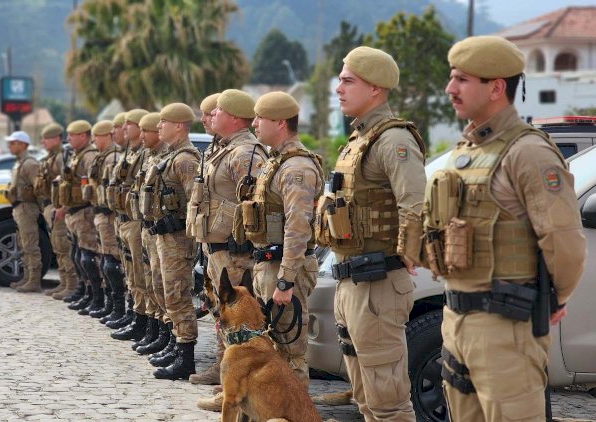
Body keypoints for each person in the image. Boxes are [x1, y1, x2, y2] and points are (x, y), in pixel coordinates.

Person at [428, 35, 586, 421]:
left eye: (462, 79)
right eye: (452, 78)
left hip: (506, 328)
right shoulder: (467, 151)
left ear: (497, 87)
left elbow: (565, 241)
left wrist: (556, 298)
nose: (450, 89)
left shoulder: (528, 153)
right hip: (457, 321)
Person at [317, 46, 426, 421]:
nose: (339, 89)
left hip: (378, 281)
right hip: (352, 281)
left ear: (376, 88)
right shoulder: (359, 140)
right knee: (365, 396)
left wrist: (408, 254)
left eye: (348, 81)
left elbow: (415, 203)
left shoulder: (394, 140)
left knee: (388, 399)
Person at [188, 90, 267, 411]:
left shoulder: (247, 154)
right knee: (220, 312)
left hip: (235, 251)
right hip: (216, 245)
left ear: (234, 116)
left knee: (237, 318)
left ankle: (234, 384)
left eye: (217, 110)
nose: (210, 115)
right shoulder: (224, 150)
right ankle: (224, 374)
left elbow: (255, 204)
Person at [239, 91, 324, 388]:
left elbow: (298, 228)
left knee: (291, 350)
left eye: (261, 118)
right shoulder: (276, 162)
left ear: (279, 122)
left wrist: (286, 281)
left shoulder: (296, 168)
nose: (255, 123)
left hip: (285, 268)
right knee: (274, 347)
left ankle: (296, 410)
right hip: (269, 264)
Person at [148, 103, 201, 380]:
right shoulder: (171, 156)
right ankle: (174, 342)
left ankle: (185, 356)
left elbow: (196, 202)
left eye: (164, 122)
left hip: (178, 238)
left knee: (177, 295)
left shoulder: (185, 160)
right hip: (163, 236)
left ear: (179, 125)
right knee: (162, 288)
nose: (159, 127)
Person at [126, 112, 169, 351]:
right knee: (148, 281)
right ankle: (152, 329)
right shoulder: (149, 157)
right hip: (145, 226)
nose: (141, 135)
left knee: (167, 289)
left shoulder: (174, 158)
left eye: (145, 130)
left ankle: (172, 341)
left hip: (164, 232)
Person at [107, 109, 149, 334]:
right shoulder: (129, 153)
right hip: (123, 217)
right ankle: (136, 317)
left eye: (129, 125)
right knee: (131, 274)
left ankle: (143, 322)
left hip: (135, 220)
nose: (123, 129)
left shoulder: (144, 154)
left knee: (141, 276)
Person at [32, 123, 79, 300]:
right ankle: (64, 282)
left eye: (47, 138)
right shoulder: (50, 158)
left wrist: (62, 207)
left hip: (57, 207)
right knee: (57, 248)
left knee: (63, 246)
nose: (43, 141)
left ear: (57, 139)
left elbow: (66, 184)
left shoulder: (61, 158)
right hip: (49, 206)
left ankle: (71, 284)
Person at [60, 121, 102, 312]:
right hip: (74, 211)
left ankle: (96, 296)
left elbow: (93, 185)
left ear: (84, 136)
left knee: (87, 256)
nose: (68, 138)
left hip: (84, 211)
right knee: (77, 255)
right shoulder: (76, 155)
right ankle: (84, 290)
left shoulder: (90, 156)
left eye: (72, 134)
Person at [87, 120, 124, 319]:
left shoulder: (113, 157)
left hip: (110, 215)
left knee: (111, 263)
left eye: (96, 136)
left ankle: (117, 308)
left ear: (106, 136)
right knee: (104, 261)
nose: (93, 140)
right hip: (101, 212)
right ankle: (110, 305)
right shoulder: (103, 157)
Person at [3, 131, 43, 293]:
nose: (10, 146)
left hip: (27, 207)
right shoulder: (19, 163)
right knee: (23, 244)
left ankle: (34, 280)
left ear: (23, 144)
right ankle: (27, 277)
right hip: (19, 207)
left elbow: (39, 188)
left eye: (13, 143)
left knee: (30, 244)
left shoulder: (29, 163)